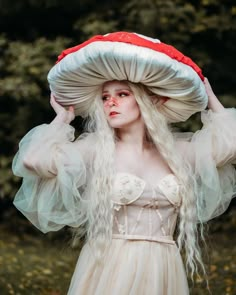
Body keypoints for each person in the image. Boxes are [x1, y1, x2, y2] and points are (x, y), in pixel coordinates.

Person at [12, 32, 236, 295]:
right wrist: (62, 119)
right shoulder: (97, 149)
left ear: (147, 100)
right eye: (105, 97)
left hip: (163, 267)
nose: (111, 103)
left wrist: (210, 97)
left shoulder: (178, 152)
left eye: (122, 94)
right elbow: (32, 160)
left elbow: (230, 147)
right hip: (111, 267)